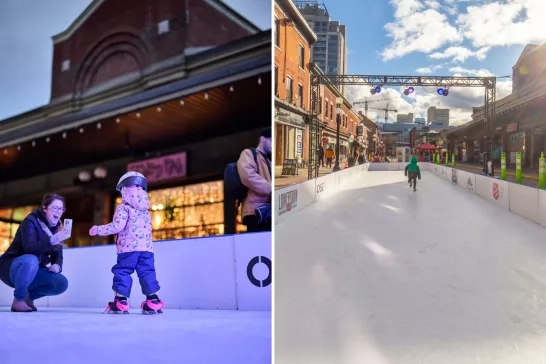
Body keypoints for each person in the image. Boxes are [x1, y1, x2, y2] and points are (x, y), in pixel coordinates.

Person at [89, 171, 164, 315]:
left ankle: (121, 301)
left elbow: (117, 226)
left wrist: (98, 229)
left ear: (124, 190)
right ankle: (153, 301)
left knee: (123, 271)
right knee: (147, 272)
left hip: (128, 249)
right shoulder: (145, 211)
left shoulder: (123, 208)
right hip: (147, 250)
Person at [0, 193, 69, 312]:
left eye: (61, 209)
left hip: (33, 270)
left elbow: (58, 253)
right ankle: (18, 300)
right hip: (11, 268)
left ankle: (29, 297)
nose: (58, 211)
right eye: (55, 208)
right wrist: (53, 239)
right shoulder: (31, 221)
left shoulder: (58, 228)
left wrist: (57, 265)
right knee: (31, 259)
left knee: (61, 283)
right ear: (45, 208)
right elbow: (30, 248)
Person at [237, 127, 272, 232]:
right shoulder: (248, 153)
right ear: (262, 139)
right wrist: (271, 190)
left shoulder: (268, 161)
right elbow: (248, 176)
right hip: (254, 212)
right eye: (271, 140)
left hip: (267, 211)